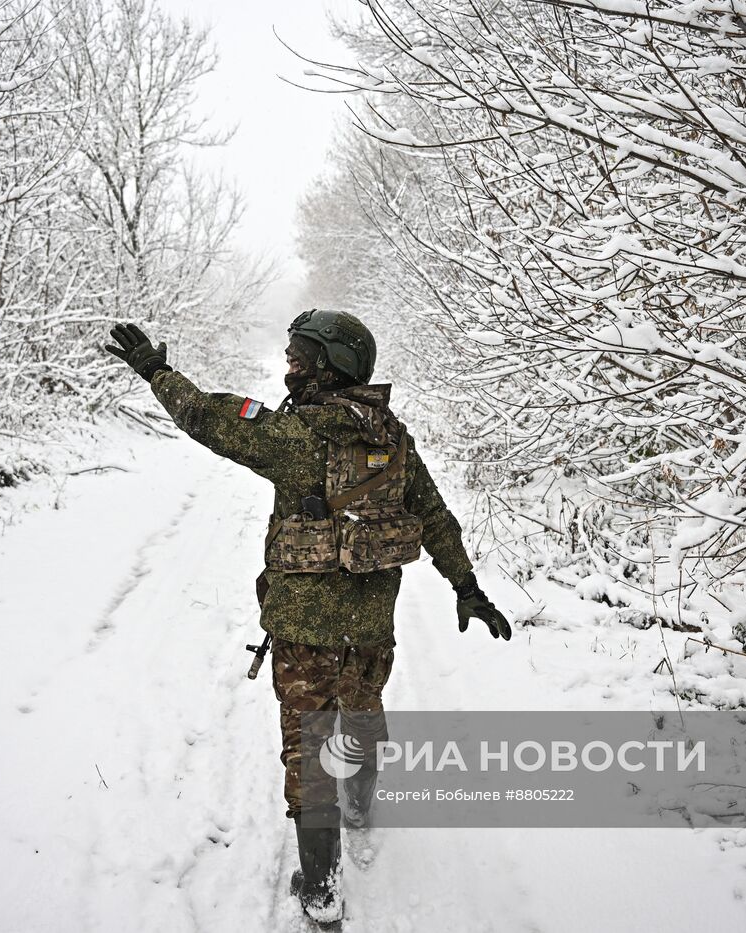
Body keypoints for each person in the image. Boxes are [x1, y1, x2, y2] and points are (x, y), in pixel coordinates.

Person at [105, 311, 511, 925]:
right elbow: (434, 516)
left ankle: (321, 894)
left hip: (303, 634)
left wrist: (156, 371)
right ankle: (361, 803)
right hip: (371, 627)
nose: (289, 362)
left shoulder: (298, 438)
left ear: (330, 365)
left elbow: (209, 420)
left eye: (299, 353)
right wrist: (467, 586)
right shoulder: (393, 440)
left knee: (308, 748)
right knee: (363, 708)